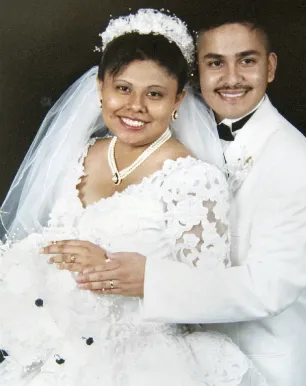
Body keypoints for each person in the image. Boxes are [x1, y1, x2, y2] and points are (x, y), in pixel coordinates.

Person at [0, 9, 267, 386]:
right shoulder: (80, 155)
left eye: (154, 94)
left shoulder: (194, 179)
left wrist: (112, 268)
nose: (136, 106)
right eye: (123, 88)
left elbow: (209, 296)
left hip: (139, 363)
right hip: (58, 354)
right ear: (100, 88)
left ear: (178, 99)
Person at [77, 15, 306, 386]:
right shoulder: (181, 133)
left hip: (266, 364)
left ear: (270, 66)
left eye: (246, 61)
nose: (230, 78)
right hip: (177, 357)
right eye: (215, 63)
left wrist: (150, 279)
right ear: (197, 73)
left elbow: (270, 286)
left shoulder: (293, 160)